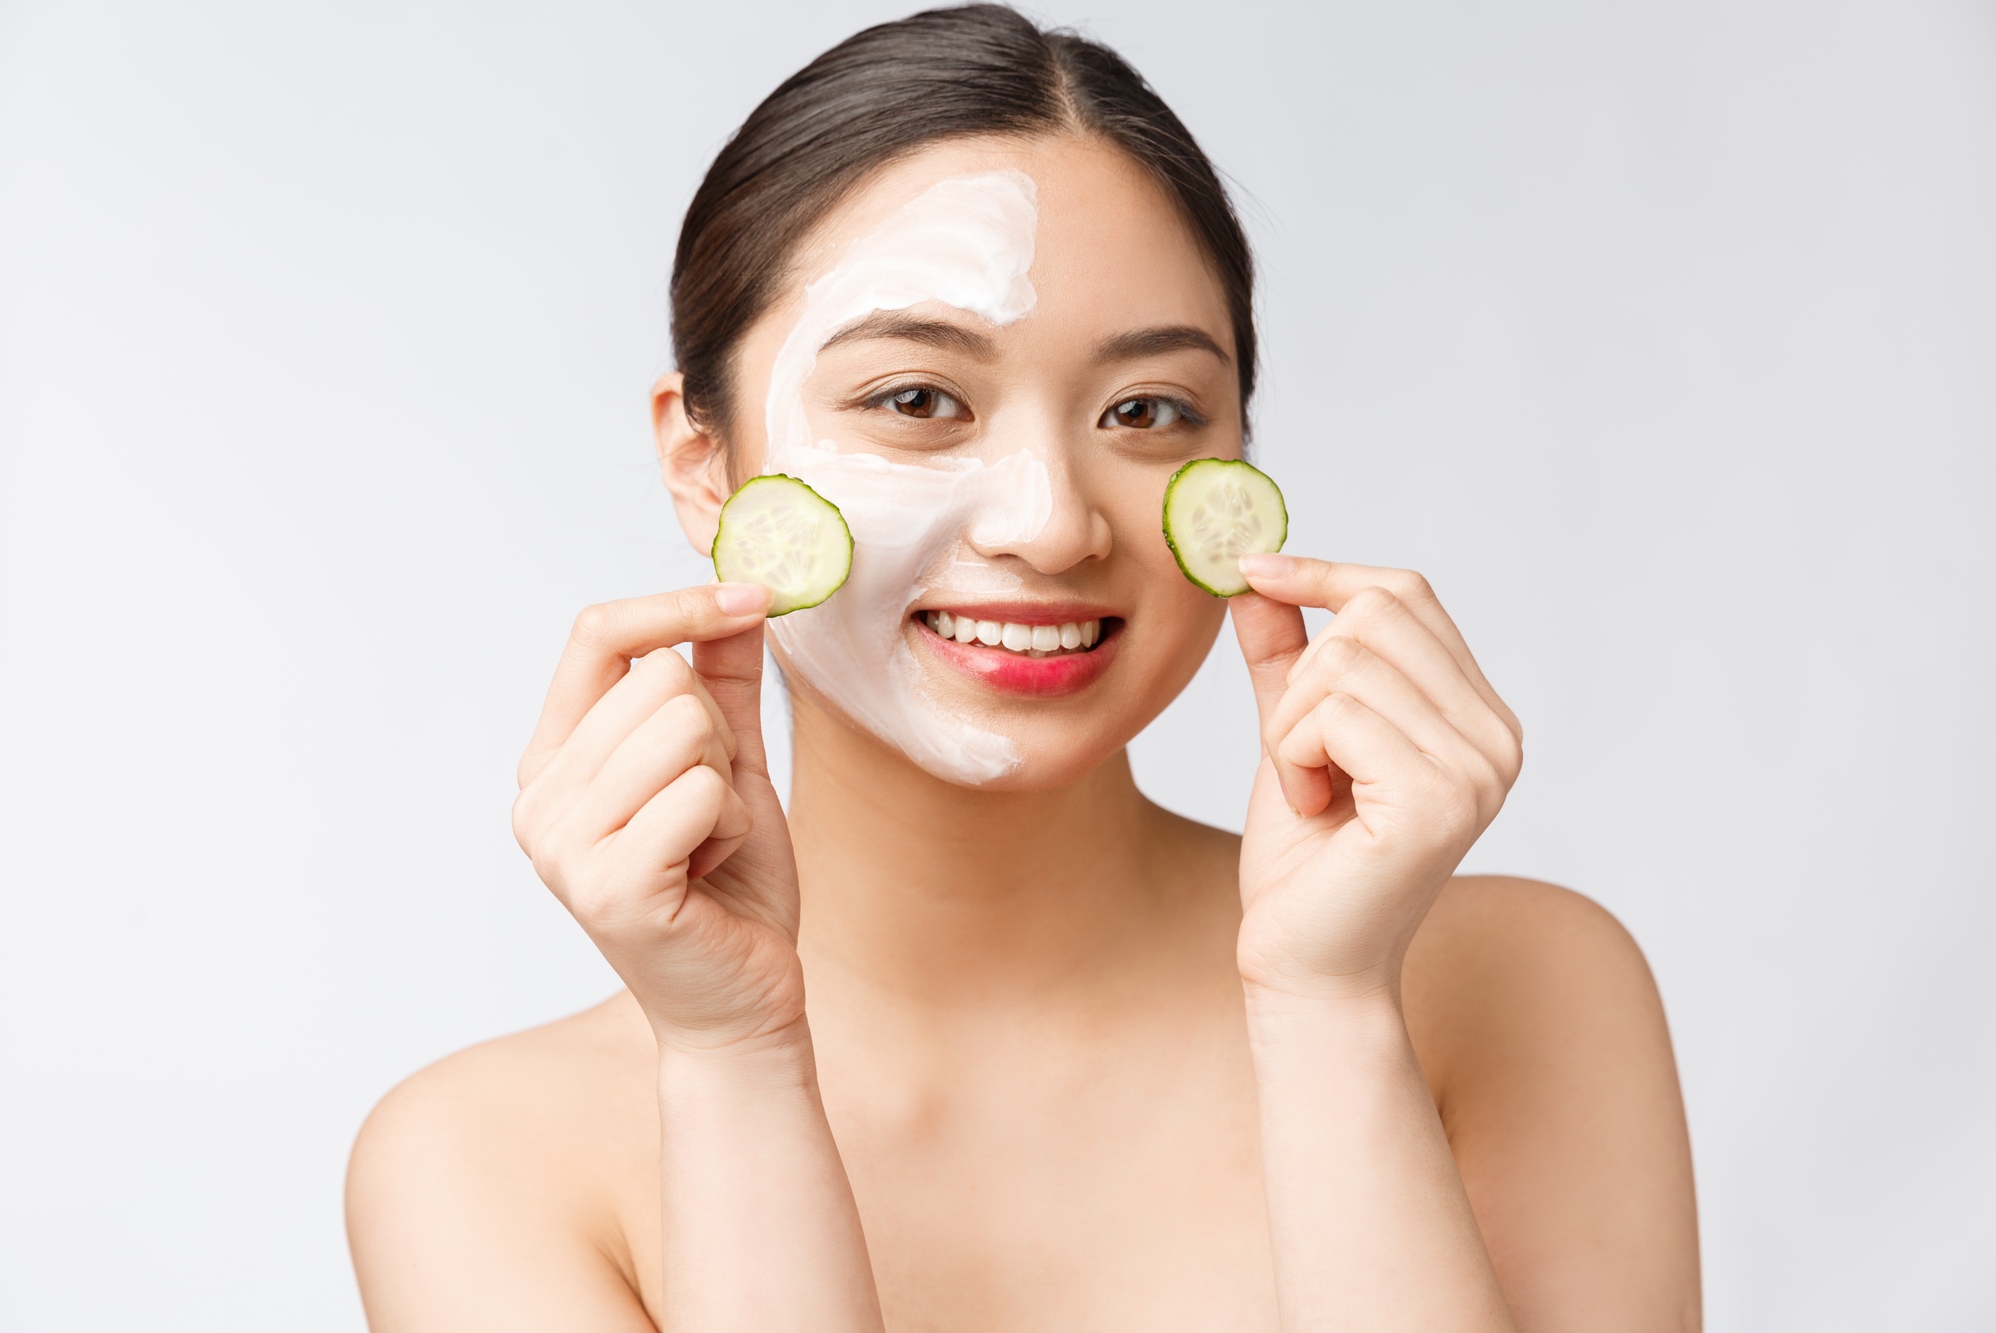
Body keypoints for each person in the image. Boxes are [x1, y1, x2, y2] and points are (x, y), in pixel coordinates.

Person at [344, 6, 1700, 1328]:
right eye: (917, 400)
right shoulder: (482, 1164)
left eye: (1146, 410)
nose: (1051, 524)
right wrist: (733, 1058)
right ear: (706, 468)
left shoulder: (1520, 988)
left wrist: (1332, 1012)